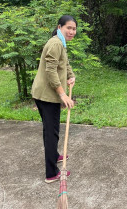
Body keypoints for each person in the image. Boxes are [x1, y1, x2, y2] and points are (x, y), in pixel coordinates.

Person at [32, 15, 77, 182]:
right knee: (52, 133)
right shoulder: (56, 44)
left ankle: (55, 155)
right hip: (47, 96)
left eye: (74, 29)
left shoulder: (60, 43)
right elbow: (50, 71)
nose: (72, 31)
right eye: (69, 28)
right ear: (60, 27)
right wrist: (62, 93)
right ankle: (51, 173)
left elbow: (64, 64)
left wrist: (70, 76)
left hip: (47, 94)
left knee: (51, 130)